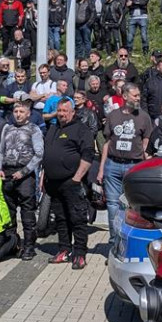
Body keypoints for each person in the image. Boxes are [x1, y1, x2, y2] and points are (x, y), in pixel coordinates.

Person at [43, 99, 95, 270]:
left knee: (77, 219)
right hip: (53, 183)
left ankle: (79, 253)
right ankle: (64, 250)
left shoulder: (81, 129)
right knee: (61, 219)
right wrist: (44, 177)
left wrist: (77, 178)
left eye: (65, 111)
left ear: (73, 112)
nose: (61, 114)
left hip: (72, 182)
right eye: (59, 110)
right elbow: (47, 155)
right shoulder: (53, 128)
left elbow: (88, 155)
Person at [98, 83, 151, 249]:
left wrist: (144, 165)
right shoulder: (113, 115)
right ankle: (115, 244)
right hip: (113, 165)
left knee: (132, 206)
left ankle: (131, 243)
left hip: (134, 166)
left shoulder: (143, 117)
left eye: (139, 95)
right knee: (113, 205)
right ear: (125, 96)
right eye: (135, 95)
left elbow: (146, 142)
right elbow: (107, 143)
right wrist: (101, 168)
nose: (138, 98)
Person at [0, 101, 43, 260]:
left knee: (27, 212)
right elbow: (0, 150)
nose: (18, 114)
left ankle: (29, 246)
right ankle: (13, 244)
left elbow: (39, 154)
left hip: (24, 174)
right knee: (8, 212)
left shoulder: (34, 129)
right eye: (16, 111)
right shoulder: (7, 128)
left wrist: (23, 172)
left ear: (28, 113)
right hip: (7, 172)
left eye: (22, 111)